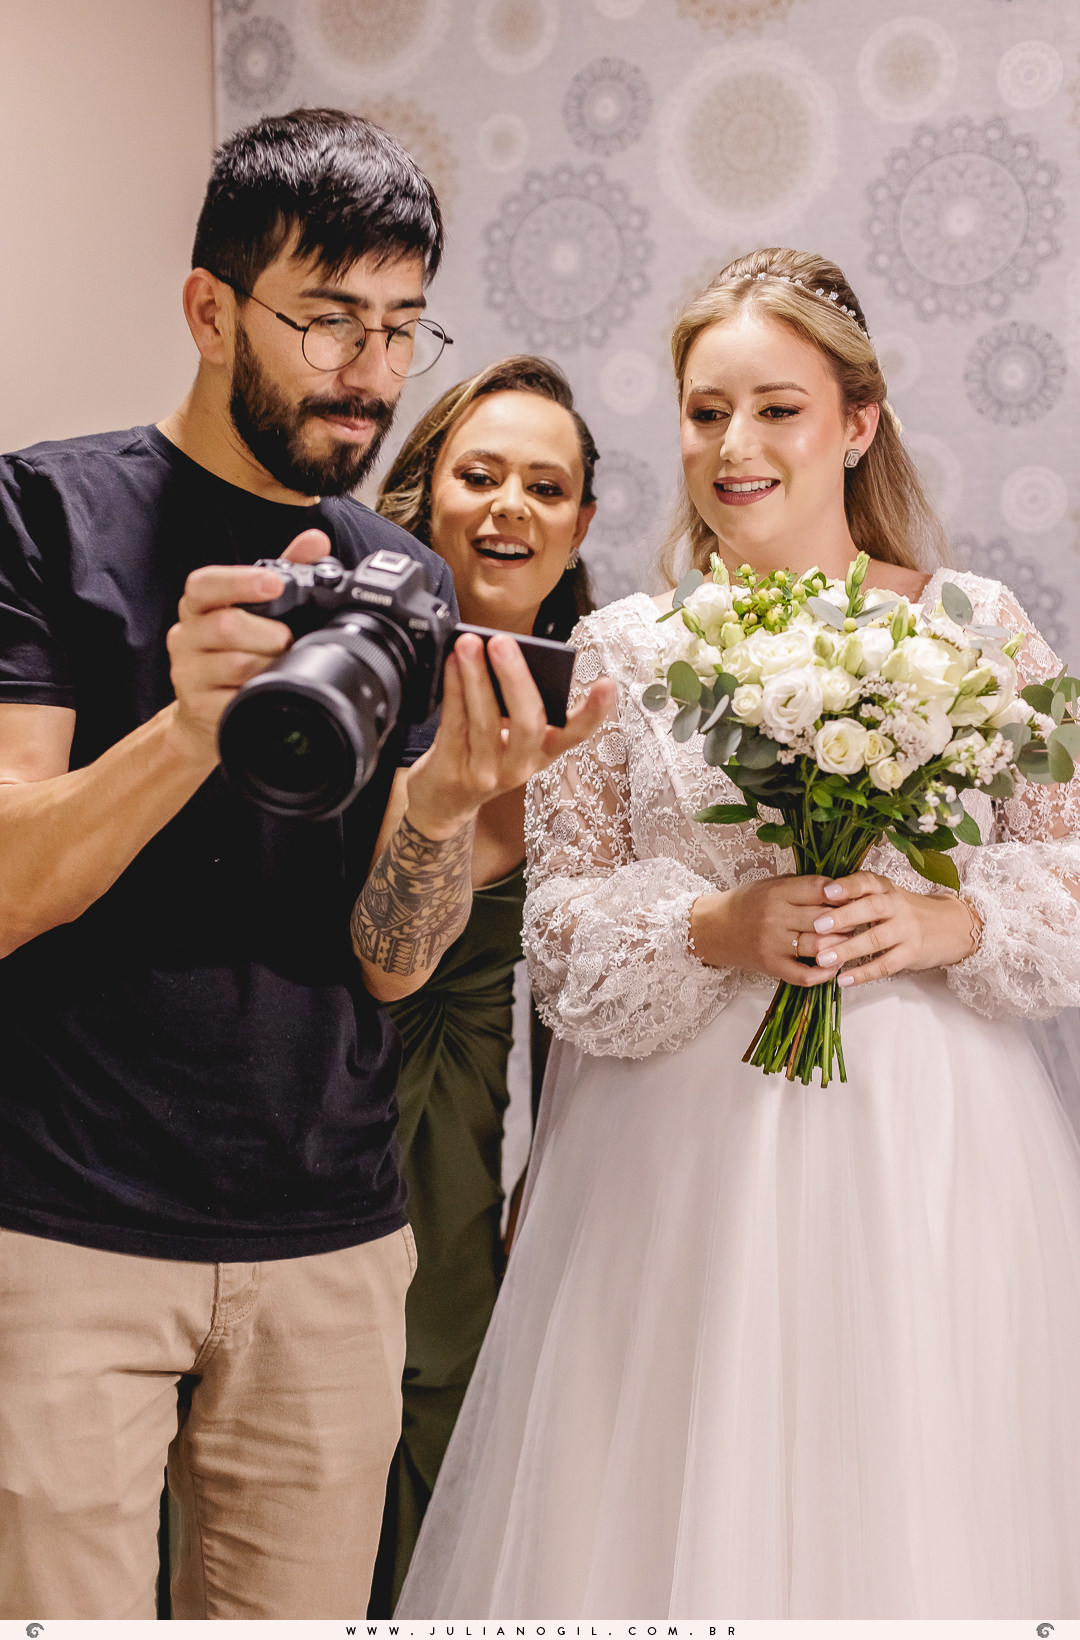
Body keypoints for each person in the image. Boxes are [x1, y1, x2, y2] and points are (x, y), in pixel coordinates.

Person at [398, 248, 1080, 1618]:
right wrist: (716, 924)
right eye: (707, 412)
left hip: (928, 1148)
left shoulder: (975, 627)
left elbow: (1069, 868)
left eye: (777, 408)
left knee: (918, 1494)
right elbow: (564, 938)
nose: (737, 445)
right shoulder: (625, 653)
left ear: (857, 422)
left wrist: (948, 918)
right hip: (671, 1166)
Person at [0, 110, 610, 1621]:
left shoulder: (397, 575)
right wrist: (188, 726)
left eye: (403, 326)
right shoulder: (43, 515)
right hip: (69, 1230)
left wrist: (457, 798)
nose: (371, 372)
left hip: (333, 1243)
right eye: (327, 319)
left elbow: (396, 958)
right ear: (212, 310)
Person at [366, 356, 599, 1613]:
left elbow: (585, 999)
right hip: (308, 1126)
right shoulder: (342, 685)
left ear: (578, 525)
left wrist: (558, 1193)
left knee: (444, 1442)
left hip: (463, 1173)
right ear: (428, 493)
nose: (510, 504)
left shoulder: (597, 729)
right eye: (481, 473)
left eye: (544, 484)